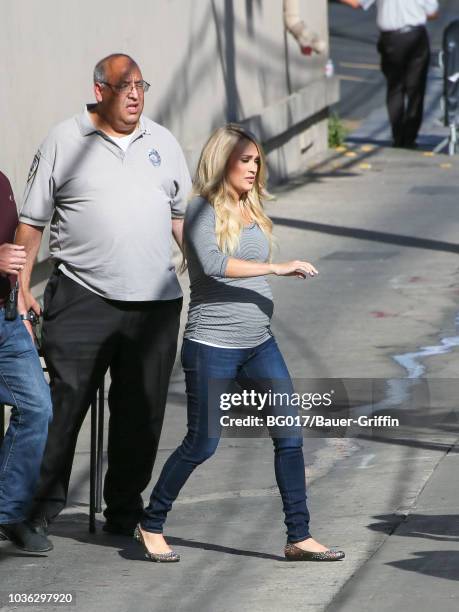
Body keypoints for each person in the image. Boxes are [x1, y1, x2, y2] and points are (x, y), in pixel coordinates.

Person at [134, 124, 345, 563]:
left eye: (256, 161)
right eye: (244, 160)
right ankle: (151, 523)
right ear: (221, 161)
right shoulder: (200, 210)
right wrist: (276, 267)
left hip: (259, 344)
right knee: (202, 443)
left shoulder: (251, 206)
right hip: (212, 345)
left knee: (289, 436)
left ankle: (298, 536)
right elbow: (210, 266)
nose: (253, 168)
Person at [15, 53, 191, 540]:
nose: (135, 94)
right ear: (100, 90)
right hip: (82, 296)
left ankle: (124, 510)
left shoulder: (163, 142)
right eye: (125, 85)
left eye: (141, 85)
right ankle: (37, 509)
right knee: (63, 405)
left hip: (155, 302)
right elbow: (32, 224)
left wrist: (209, 266)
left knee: (142, 409)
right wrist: (23, 291)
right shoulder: (65, 140)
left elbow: (181, 219)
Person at [0, 170, 53, 552]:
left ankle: (6, 513)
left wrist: (21, 296)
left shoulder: (1, 181)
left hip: (6, 318)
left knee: (37, 408)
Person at [340, 0, 439, 148]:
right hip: (415, 35)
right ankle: (410, 137)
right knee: (415, 89)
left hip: (391, 39)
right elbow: (433, 13)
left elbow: (357, 3)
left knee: (395, 87)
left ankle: (398, 136)